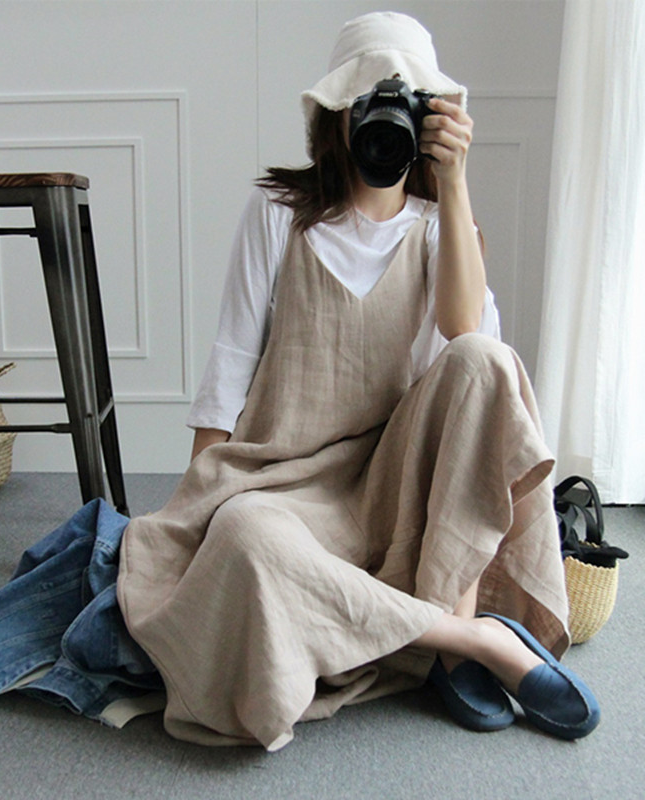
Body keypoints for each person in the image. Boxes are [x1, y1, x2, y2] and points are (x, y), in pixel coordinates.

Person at [116, 11, 599, 750]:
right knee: (244, 536)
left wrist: (455, 184)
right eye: (369, 103)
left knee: (485, 359)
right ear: (337, 117)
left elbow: (469, 341)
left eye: (405, 106)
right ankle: (471, 641)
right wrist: (195, 505)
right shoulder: (279, 213)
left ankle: (446, 625)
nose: (384, 124)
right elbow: (231, 361)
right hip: (288, 489)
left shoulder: (439, 225)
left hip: (398, 486)